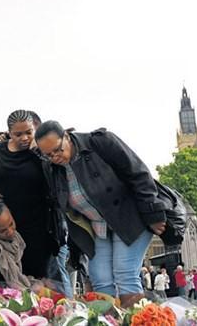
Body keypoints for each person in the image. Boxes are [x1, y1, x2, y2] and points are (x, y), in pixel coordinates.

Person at [34, 120, 168, 308]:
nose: (55, 157)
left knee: (125, 274)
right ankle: (109, 321)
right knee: (100, 279)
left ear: (66, 135)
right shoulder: (51, 168)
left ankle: (139, 320)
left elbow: (138, 172)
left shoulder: (100, 142)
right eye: (48, 155)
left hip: (128, 218)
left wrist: (153, 212)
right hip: (98, 227)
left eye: (58, 149)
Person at [0, 110, 61, 283]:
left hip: (37, 229)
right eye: (18, 134)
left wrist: (38, 153)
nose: (24, 138)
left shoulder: (41, 153)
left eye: (29, 132)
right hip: (4, 228)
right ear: (9, 133)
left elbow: (54, 184)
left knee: (37, 281)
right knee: (5, 280)